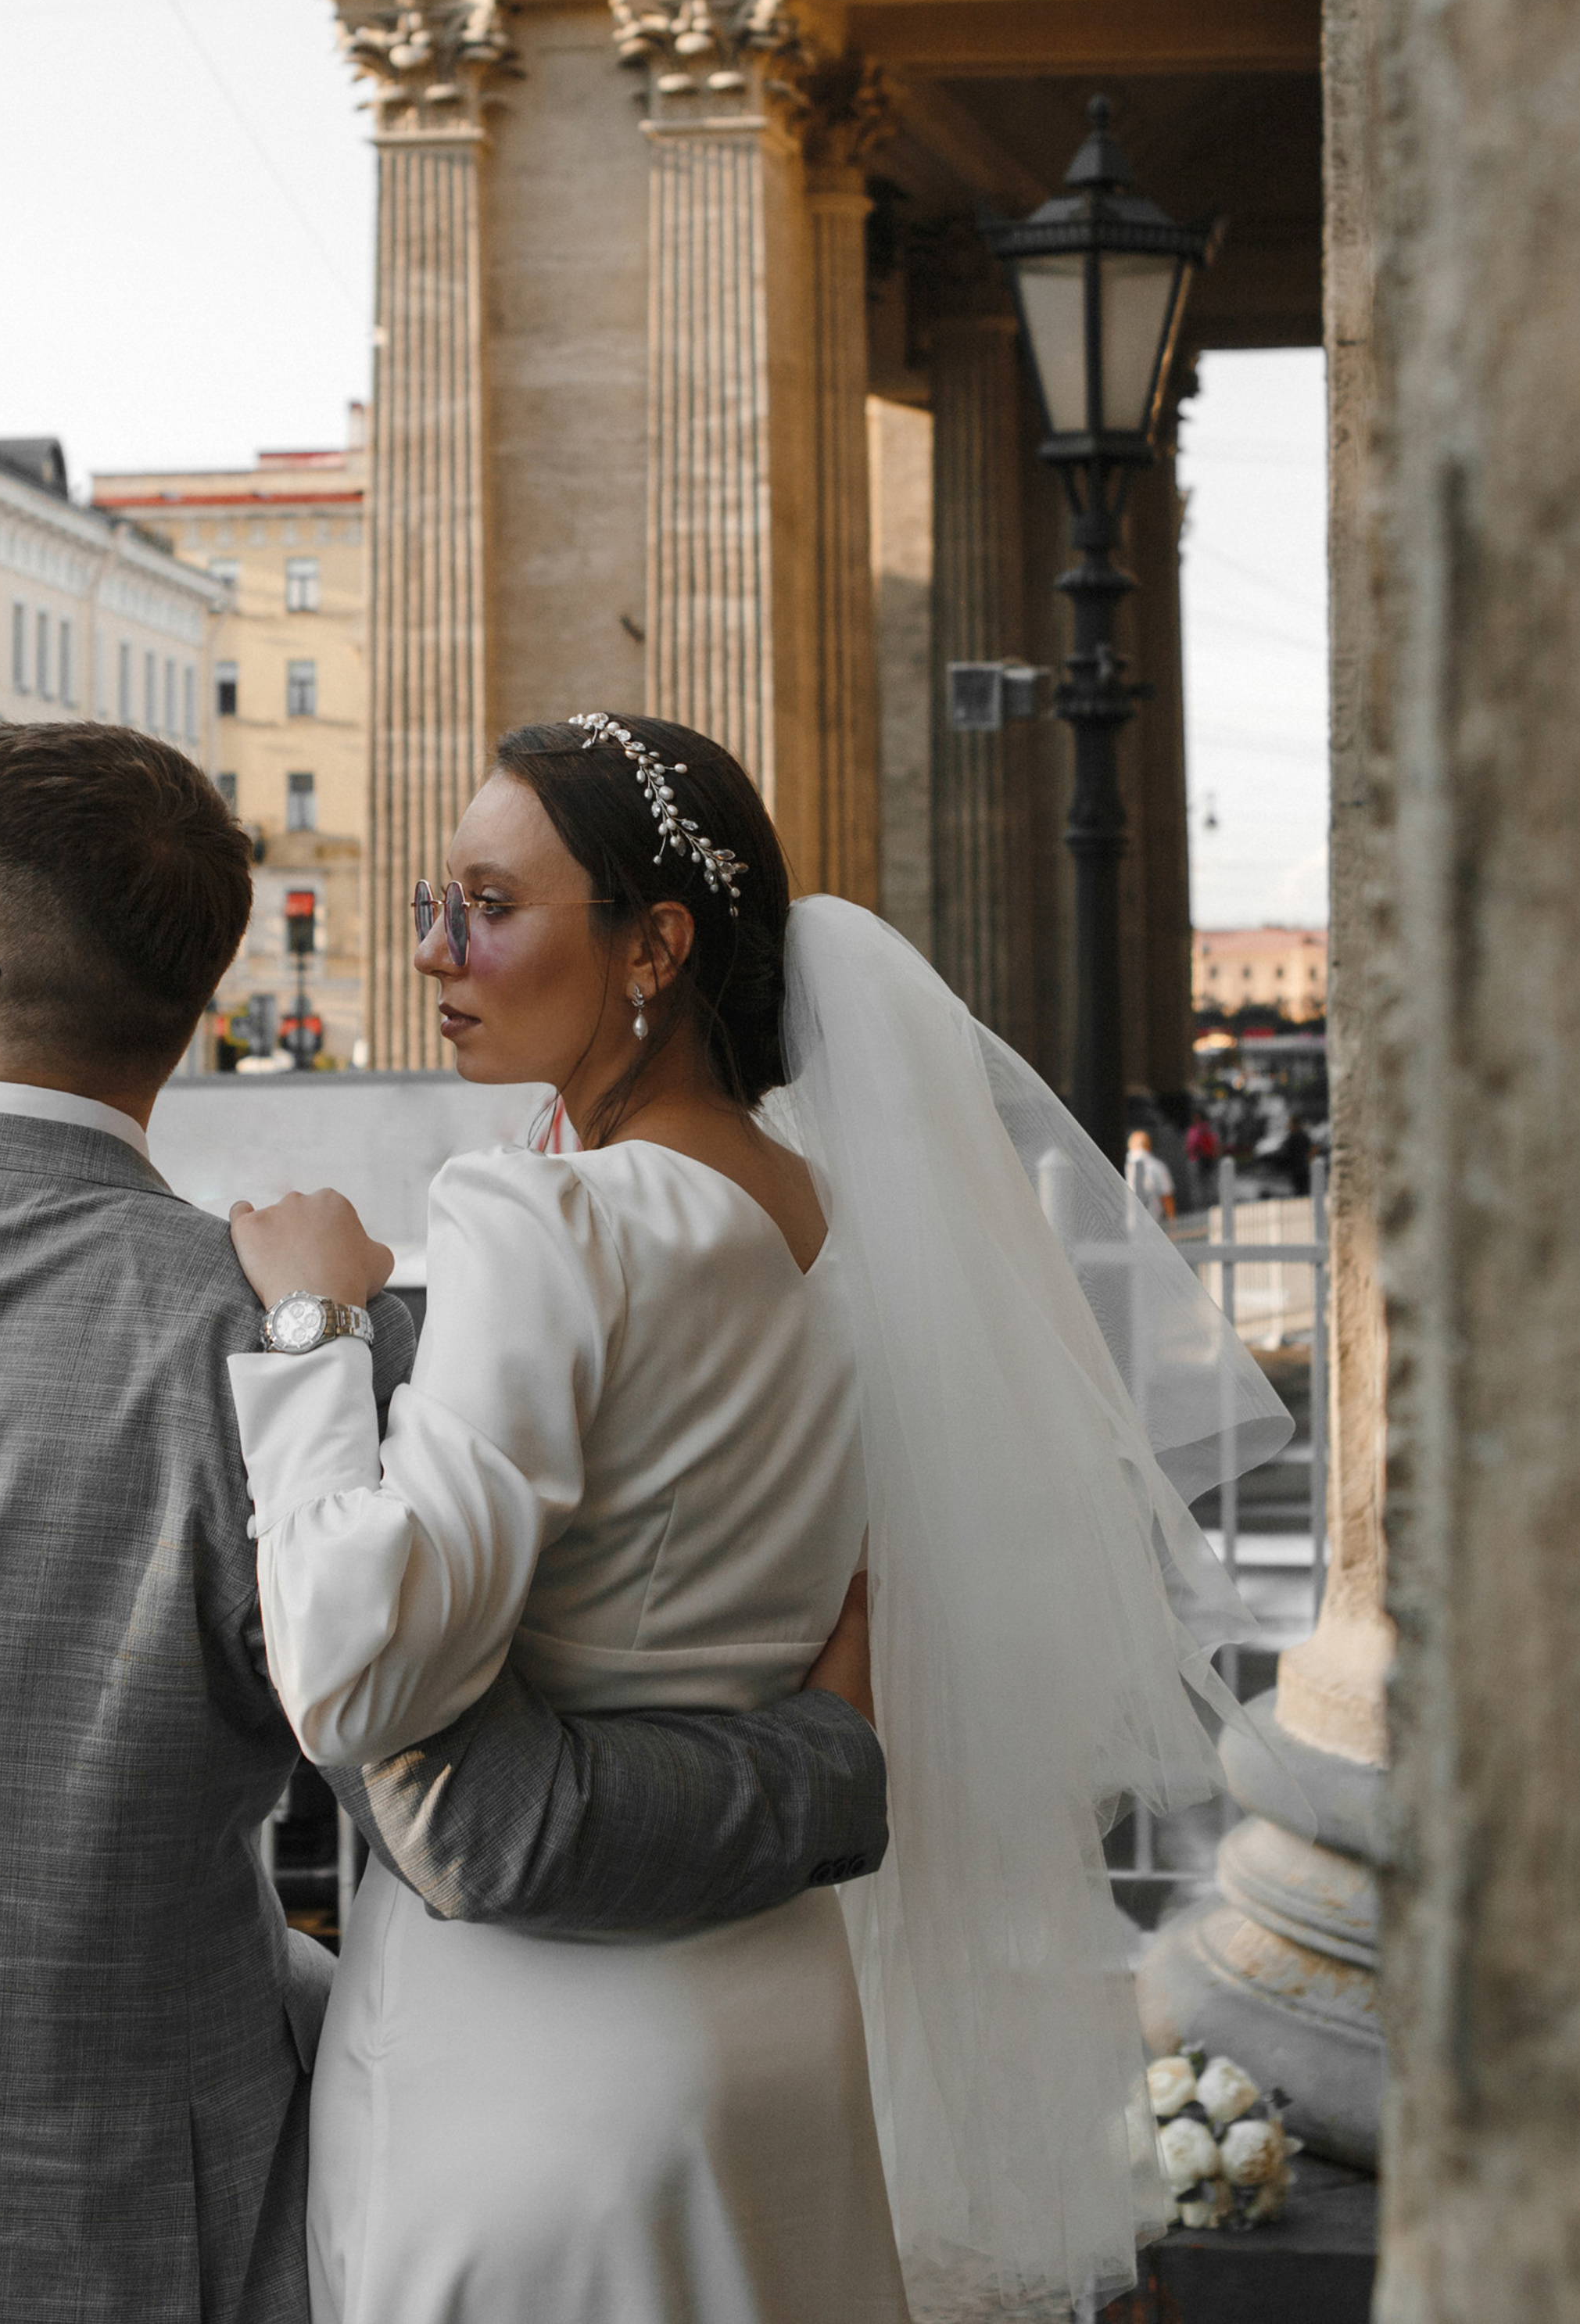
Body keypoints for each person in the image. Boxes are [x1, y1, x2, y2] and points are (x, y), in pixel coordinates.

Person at [0, 723, 888, 2324]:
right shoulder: (282, 1337)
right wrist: (829, 1763)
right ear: (193, 1011)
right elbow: (481, 1825)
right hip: (140, 2221)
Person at [227, 713, 1292, 2323]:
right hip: (773, 2005)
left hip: (535, 2049)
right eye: (439, 904)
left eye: (489, 907)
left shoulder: (545, 1219)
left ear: (655, 948)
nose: (439, 950)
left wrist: (310, 1334)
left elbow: (351, 1668)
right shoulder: (832, 1227)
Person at [1126, 1121, 1178, 1224]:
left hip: (1134, 1222)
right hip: (1154, 1220)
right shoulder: (1156, 1166)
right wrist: (1172, 1222)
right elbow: (1167, 1195)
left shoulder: (1130, 1167)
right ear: (1148, 1145)